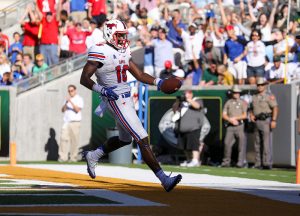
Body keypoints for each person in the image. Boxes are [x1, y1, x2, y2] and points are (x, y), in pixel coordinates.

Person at [80, 19, 182, 192]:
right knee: (142, 137)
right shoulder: (99, 50)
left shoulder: (123, 50)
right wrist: (102, 90)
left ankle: (93, 155)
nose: (122, 39)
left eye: (123, 36)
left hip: (125, 96)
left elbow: (139, 74)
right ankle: (164, 179)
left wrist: (159, 82)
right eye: (119, 35)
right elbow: (84, 79)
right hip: (114, 98)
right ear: (109, 34)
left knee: (124, 139)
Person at [250, 78, 278, 169]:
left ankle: (267, 163)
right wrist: (251, 115)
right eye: (258, 85)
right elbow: (251, 108)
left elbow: (275, 108)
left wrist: (273, 120)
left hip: (266, 120)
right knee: (257, 143)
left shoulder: (269, 96)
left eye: (261, 85)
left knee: (266, 143)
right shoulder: (254, 96)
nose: (260, 87)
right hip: (257, 120)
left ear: (265, 85)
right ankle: (258, 163)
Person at [173, 90, 203, 167]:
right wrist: (178, 101)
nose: (185, 95)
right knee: (185, 146)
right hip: (182, 129)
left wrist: (188, 99)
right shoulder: (182, 103)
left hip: (193, 128)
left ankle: (195, 160)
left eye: (186, 93)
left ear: (191, 94)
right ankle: (189, 160)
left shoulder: (197, 99)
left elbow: (197, 106)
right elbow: (174, 109)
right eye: (184, 94)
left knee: (194, 145)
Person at [221, 85, 247, 168]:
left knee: (241, 145)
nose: (236, 94)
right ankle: (226, 161)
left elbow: (245, 115)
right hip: (230, 125)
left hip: (239, 125)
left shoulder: (243, 102)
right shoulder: (229, 102)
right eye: (234, 92)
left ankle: (240, 162)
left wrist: (235, 118)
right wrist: (230, 120)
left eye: (237, 92)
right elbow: (223, 114)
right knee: (227, 143)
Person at [58, 84, 84, 162]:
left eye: (71, 91)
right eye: (69, 91)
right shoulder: (67, 100)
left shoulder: (79, 99)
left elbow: (77, 110)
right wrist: (66, 103)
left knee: (74, 141)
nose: (70, 92)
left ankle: (73, 158)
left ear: (75, 90)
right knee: (63, 139)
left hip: (75, 122)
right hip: (66, 122)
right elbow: (62, 110)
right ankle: (63, 157)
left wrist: (71, 102)